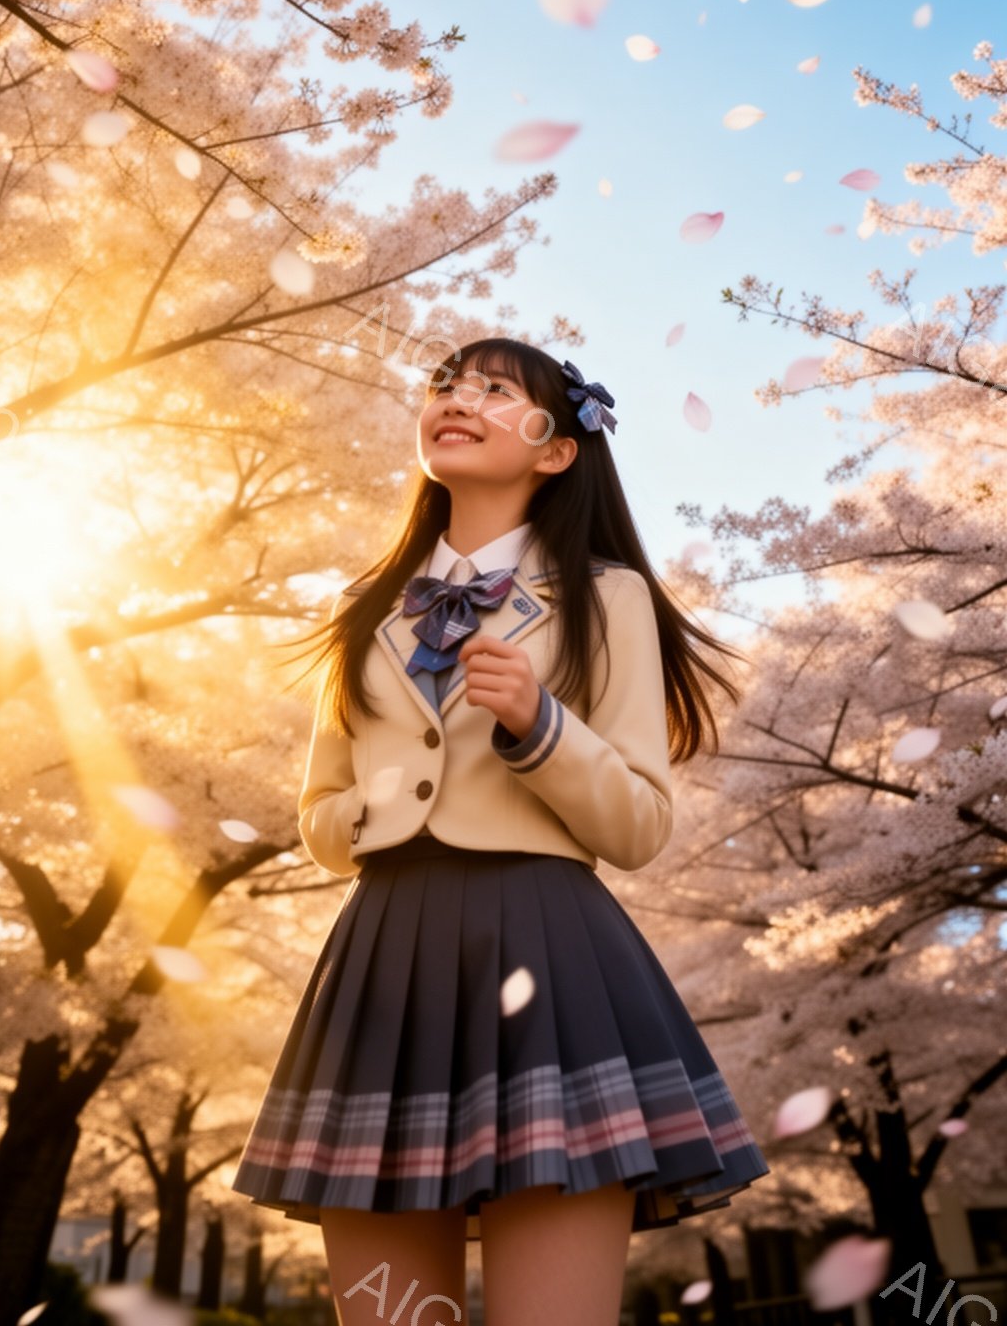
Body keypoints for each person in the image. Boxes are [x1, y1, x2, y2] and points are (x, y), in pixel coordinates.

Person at [231, 336, 770, 1326]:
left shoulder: (608, 597)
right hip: (384, 961)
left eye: (493, 390)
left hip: (549, 953)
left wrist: (538, 725)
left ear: (556, 450)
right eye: (445, 384)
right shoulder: (363, 611)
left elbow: (640, 825)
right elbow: (321, 816)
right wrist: (384, 809)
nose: (457, 398)